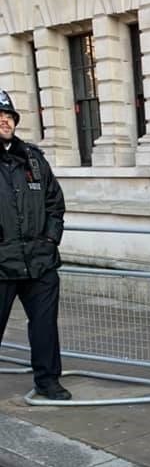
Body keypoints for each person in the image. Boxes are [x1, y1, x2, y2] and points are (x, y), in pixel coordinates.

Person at [0, 90, 71, 401]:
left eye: (9, 116)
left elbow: (55, 203)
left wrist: (50, 238)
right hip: (2, 264)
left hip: (40, 262)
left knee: (44, 327)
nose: (4, 120)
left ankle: (48, 381)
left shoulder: (33, 159)